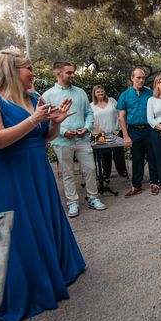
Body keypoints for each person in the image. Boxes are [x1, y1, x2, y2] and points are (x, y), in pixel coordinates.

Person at [0, 47, 85, 321]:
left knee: (43, 219)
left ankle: (55, 270)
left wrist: (55, 125)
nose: (34, 74)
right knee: (21, 227)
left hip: (36, 168)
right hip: (6, 173)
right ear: (12, 71)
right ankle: (27, 284)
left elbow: (45, 136)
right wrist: (33, 120)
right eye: (29, 68)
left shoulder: (35, 98)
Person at [42, 62, 107, 218]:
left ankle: (93, 198)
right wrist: (63, 132)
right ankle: (72, 203)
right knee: (67, 173)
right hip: (61, 141)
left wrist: (86, 127)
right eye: (69, 72)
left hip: (82, 138)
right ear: (57, 73)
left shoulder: (80, 93)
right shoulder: (47, 96)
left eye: (72, 72)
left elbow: (89, 113)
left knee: (91, 168)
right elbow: (45, 120)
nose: (72, 75)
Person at [118, 67, 159, 197]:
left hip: (149, 129)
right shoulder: (124, 95)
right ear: (132, 78)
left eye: (143, 77)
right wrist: (125, 136)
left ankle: (154, 183)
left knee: (153, 156)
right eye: (138, 77)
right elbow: (122, 117)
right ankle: (136, 185)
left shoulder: (150, 93)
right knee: (137, 159)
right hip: (133, 131)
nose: (141, 80)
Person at [90, 84, 128, 179]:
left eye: (102, 91)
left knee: (118, 153)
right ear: (94, 94)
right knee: (104, 154)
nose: (100, 93)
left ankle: (122, 171)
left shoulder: (112, 101)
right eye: (98, 92)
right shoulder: (91, 106)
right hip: (99, 134)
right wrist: (98, 129)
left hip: (115, 130)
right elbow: (90, 120)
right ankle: (106, 173)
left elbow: (120, 113)